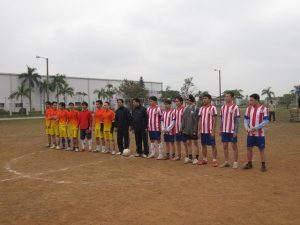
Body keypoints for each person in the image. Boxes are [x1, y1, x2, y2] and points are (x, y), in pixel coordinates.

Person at [243, 94, 269, 172]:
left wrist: (256, 128)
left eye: (251, 100)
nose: (250, 101)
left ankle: (263, 165)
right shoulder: (248, 109)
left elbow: (266, 121)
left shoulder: (263, 109)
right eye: (250, 100)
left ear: (256, 100)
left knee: (261, 149)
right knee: (249, 148)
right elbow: (246, 119)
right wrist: (246, 127)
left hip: (260, 134)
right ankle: (249, 163)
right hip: (250, 133)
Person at [219, 91, 240, 169]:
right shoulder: (222, 107)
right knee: (225, 146)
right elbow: (221, 119)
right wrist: (220, 129)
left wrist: (235, 131)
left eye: (228, 96)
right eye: (225, 96)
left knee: (234, 146)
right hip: (224, 130)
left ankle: (235, 162)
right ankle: (226, 161)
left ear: (232, 97)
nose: (226, 98)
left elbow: (237, 120)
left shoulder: (235, 107)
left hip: (232, 130)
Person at [198, 94, 218, 167]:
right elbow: (200, 120)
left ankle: (214, 160)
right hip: (203, 131)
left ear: (209, 99)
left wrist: (213, 130)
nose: (204, 100)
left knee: (213, 145)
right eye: (203, 98)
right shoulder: (201, 108)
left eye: (205, 98)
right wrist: (199, 131)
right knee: (203, 145)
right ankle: (204, 159)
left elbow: (215, 120)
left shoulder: (213, 108)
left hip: (210, 131)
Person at [181, 95, 200, 164]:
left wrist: (195, 130)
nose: (186, 101)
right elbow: (184, 119)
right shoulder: (186, 108)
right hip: (187, 129)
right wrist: (182, 128)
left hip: (193, 130)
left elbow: (197, 121)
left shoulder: (196, 108)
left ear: (191, 100)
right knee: (188, 143)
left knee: (195, 143)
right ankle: (190, 157)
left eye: (187, 100)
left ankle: (196, 158)